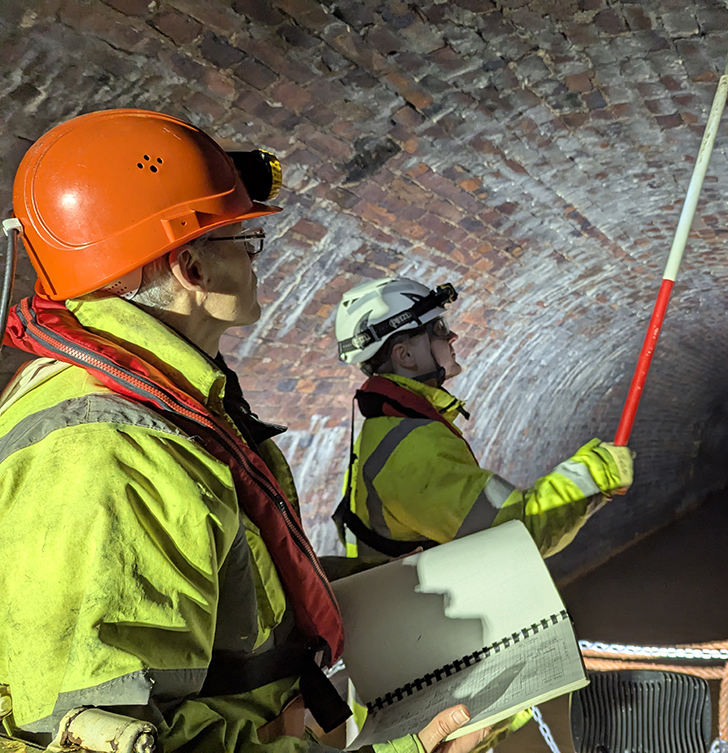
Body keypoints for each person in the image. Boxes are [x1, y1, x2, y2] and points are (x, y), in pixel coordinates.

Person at [0, 109, 485, 753]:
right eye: (244, 240)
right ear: (190, 269)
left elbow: (222, 582)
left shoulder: (167, 397)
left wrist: (368, 584)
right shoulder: (110, 454)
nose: (256, 261)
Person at [333, 277, 634, 747]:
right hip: (424, 690)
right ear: (405, 355)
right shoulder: (410, 450)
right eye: (436, 329)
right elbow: (515, 535)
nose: (450, 337)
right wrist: (592, 474)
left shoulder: (398, 431)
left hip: (420, 662)